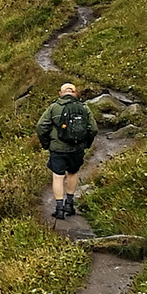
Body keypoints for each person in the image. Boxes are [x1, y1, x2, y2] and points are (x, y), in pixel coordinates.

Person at [37, 82, 97, 219]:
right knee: (73, 173)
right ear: (75, 93)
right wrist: (86, 144)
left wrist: (46, 143)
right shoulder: (84, 108)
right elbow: (93, 129)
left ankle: (59, 208)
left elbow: (41, 126)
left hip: (57, 149)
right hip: (77, 148)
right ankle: (69, 204)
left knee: (58, 176)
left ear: (60, 93)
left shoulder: (54, 107)